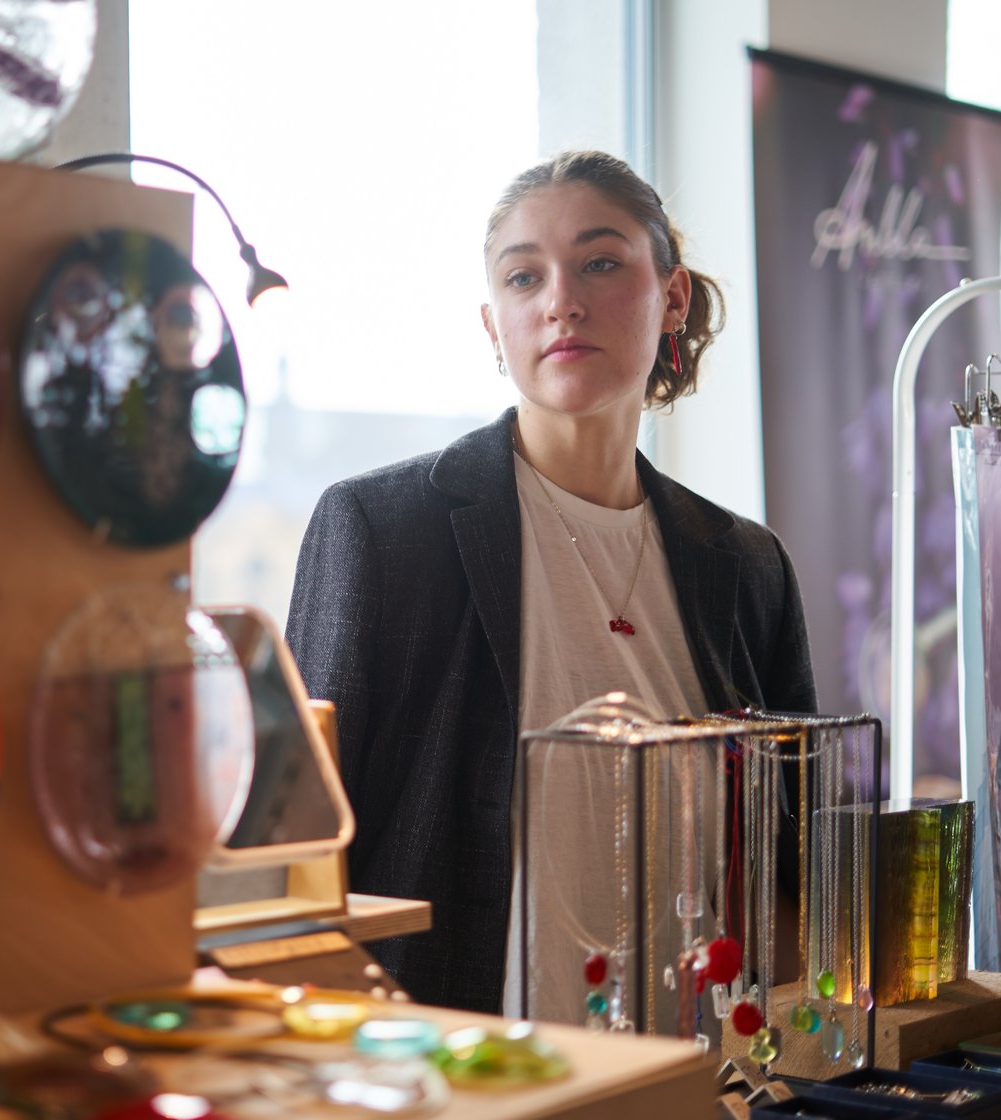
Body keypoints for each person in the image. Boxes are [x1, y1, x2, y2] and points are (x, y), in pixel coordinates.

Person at [284, 150, 817, 1015]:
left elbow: (788, 864)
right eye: (524, 277)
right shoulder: (382, 529)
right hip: (464, 1059)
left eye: (599, 263)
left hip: (700, 1064)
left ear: (672, 296)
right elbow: (296, 857)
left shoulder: (748, 566)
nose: (560, 301)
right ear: (493, 328)